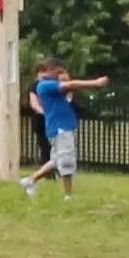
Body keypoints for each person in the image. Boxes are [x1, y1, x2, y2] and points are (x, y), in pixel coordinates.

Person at [28, 60, 97, 192]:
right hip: (60, 127)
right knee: (66, 159)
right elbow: (72, 84)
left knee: (56, 160)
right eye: (55, 70)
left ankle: (31, 180)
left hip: (61, 126)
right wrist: (95, 83)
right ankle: (68, 194)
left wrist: (64, 78)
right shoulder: (44, 85)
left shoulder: (53, 85)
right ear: (44, 72)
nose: (57, 73)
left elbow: (68, 86)